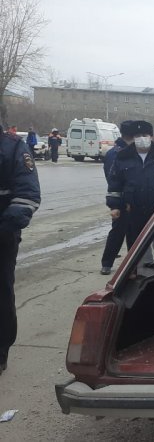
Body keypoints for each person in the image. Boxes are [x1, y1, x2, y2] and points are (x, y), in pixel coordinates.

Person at [106, 121, 154, 267]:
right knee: (139, 244)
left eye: (144, 135)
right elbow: (115, 183)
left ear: (151, 136)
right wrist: (115, 207)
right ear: (133, 137)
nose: (141, 138)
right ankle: (143, 269)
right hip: (133, 209)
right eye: (137, 135)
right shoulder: (123, 156)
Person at [0, 125, 41, 375]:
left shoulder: (13, 147)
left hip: (2, 234)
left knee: (1, 292)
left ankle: (1, 349)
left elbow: (28, 195)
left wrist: (5, 229)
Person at [100, 121, 135, 275]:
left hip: (126, 198)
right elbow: (113, 178)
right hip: (121, 199)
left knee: (126, 231)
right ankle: (108, 263)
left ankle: (125, 263)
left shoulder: (119, 151)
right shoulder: (117, 153)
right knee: (120, 231)